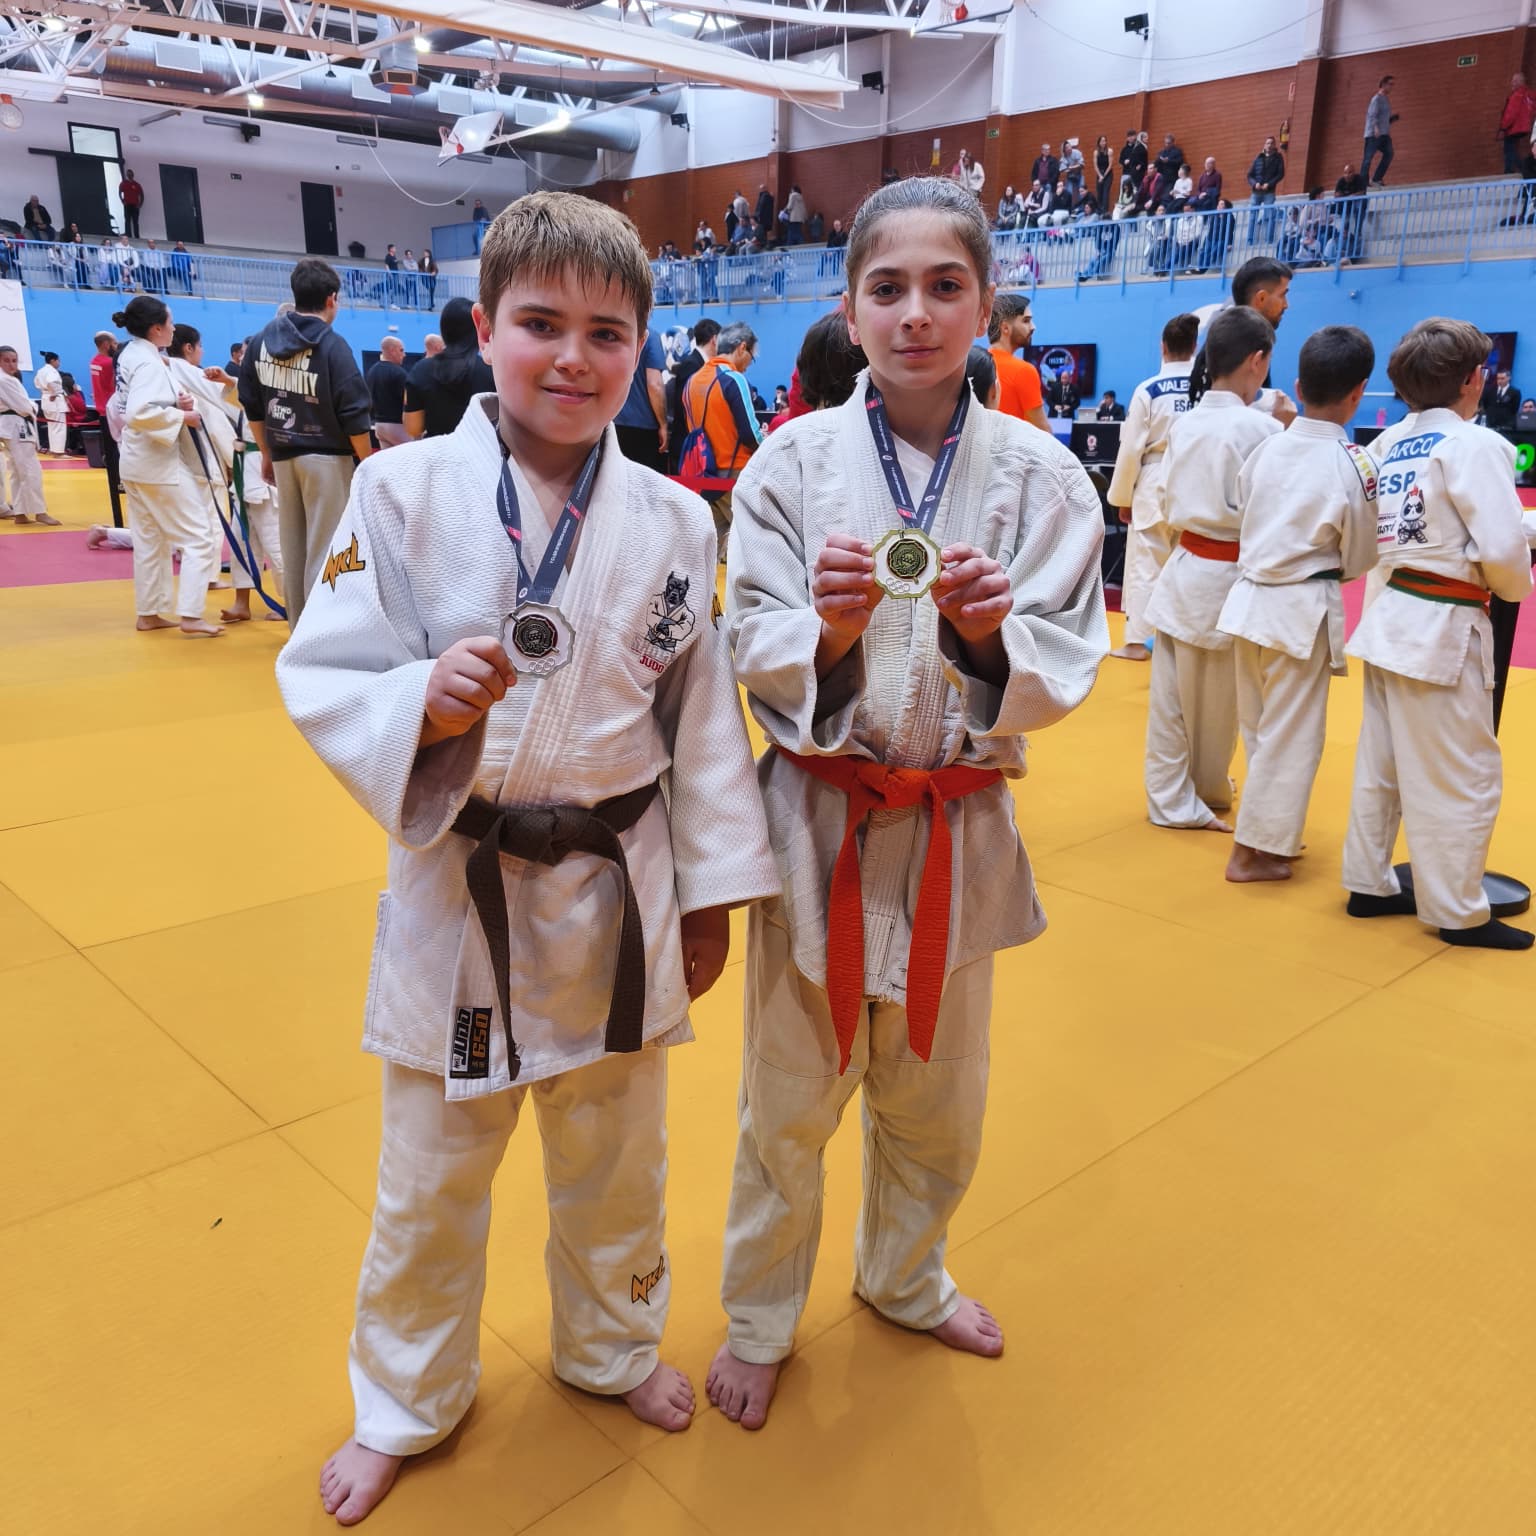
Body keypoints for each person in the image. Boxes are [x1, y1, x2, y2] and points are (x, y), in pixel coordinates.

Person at [275, 189, 780, 1526]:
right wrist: (421, 705)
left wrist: (713, 900)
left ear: (641, 349)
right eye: (540, 324)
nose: (572, 357)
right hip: (464, 881)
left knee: (620, 1156)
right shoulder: (398, 491)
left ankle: (612, 1347)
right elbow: (326, 667)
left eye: (607, 334)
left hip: (619, 883)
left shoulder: (677, 519)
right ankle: (405, 1401)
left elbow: (701, 722)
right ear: (486, 328)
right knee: (429, 1177)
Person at [707, 173, 1108, 1434]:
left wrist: (989, 643)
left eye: (945, 287)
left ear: (987, 304)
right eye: (888, 288)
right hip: (819, 822)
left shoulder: (1043, 476)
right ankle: (760, 1317)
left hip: (952, 827)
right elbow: (746, 635)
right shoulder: (789, 465)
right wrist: (823, 636)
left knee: (939, 1101)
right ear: (851, 308)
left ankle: (905, 1275)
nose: (916, 314)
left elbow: (1068, 653)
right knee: (787, 1101)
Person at [1342, 318, 1535, 949]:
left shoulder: (1389, 441)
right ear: (1475, 379)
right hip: (1444, 626)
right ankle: (1456, 911)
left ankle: (1368, 884)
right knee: (1464, 774)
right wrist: (1513, 587)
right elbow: (1502, 552)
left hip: (1390, 616)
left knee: (1382, 765)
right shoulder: (1474, 444)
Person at [1217, 326, 1379, 882]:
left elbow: (1244, 513)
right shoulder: (1353, 463)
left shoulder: (1267, 447)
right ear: (1359, 392)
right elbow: (1361, 553)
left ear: (1299, 386)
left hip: (1249, 603)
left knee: (1262, 729)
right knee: (1293, 737)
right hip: (1300, 608)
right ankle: (1250, 852)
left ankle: (1271, 839)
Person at [1142, 307, 1282, 830]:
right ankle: (1203, 789)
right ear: (1256, 360)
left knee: (1171, 701)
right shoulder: (1264, 429)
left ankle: (1178, 795)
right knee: (1224, 702)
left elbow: (1164, 496)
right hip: (1230, 575)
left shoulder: (1186, 423)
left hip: (1184, 566)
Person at [238, 257, 374, 627]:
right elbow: (353, 410)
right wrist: (367, 461)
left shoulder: (261, 341)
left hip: (283, 455)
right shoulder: (332, 344)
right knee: (329, 547)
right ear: (332, 299)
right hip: (328, 458)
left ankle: (299, 628)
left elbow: (251, 403)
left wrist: (266, 453)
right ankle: (322, 632)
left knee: (294, 547)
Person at [112, 296, 223, 635]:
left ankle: (149, 613)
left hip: (135, 461)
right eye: (170, 322)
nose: (174, 328)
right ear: (156, 328)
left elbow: (137, 405)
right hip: (157, 463)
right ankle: (191, 614)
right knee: (199, 535)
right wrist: (183, 416)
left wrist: (178, 403)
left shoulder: (133, 354)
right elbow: (139, 412)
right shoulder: (147, 362)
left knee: (151, 540)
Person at [1106, 313, 1198, 662]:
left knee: (1146, 563)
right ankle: (1183, 643)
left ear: (1163, 348)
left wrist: (1122, 497)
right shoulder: (1206, 389)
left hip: (1154, 476)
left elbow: (1131, 448)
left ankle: (1137, 643)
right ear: (1194, 347)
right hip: (1195, 478)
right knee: (1191, 561)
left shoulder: (1149, 389)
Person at [682, 319, 762, 559]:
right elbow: (750, 434)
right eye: (752, 357)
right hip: (735, 476)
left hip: (703, 476)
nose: (749, 365)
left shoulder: (692, 381)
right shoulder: (734, 380)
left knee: (709, 553)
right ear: (742, 347)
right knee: (747, 552)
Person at [1188, 256, 1295, 420]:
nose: (1286, 304)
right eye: (1282, 295)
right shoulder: (1244, 345)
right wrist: (1280, 426)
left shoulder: (1230, 338)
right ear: (1261, 298)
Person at [402, 296, 496, 441]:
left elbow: (413, 428)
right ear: (478, 329)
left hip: (437, 450)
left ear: (443, 329)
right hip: (481, 450)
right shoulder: (491, 370)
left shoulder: (421, 370)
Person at [0, 345, 59, 525]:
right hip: (16, 427)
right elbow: (25, 407)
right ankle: (39, 512)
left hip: (9, 426)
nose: (12, 364)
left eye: (14, 361)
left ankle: (20, 513)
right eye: (6, 361)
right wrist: (33, 407)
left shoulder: (8, 379)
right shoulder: (5, 380)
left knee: (17, 471)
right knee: (30, 470)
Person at [986, 293, 1050, 433]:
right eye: (1026, 321)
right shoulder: (1023, 371)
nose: (1033, 327)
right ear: (1005, 328)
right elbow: (1044, 432)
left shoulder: (975, 364)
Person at [666, 317, 719, 472]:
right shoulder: (692, 365)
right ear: (714, 339)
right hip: (687, 446)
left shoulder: (701, 364)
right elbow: (686, 406)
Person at [614, 325, 669, 470]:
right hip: (643, 427)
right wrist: (663, 424)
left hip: (612, 422)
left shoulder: (613, 333)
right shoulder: (651, 337)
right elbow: (655, 385)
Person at [90, 330, 123, 521]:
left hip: (102, 409)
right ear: (106, 344)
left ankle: (116, 478)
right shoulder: (108, 363)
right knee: (118, 449)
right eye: (114, 343)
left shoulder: (94, 361)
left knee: (112, 452)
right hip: (111, 410)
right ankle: (120, 480)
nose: (116, 347)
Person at [366, 336, 410, 449]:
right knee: (413, 456)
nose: (404, 354)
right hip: (397, 426)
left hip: (378, 425)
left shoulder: (372, 371)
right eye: (401, 350)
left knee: (389, 459)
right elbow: (408, 400)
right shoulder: (399, 373)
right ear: (392, 350)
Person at [1246, 135, 1286, 240]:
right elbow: (1249, 175)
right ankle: (1250, 239)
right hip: (1256, 192)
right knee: (1252, 216)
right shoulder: (1258, 157)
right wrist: (1255, 184)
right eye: (1267, 143)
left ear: (1274, 145)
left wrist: (1269, 184)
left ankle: (1269, 239)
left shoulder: (1278, 157)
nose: (1269, 145)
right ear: (1264, 145)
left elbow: (1280, 174)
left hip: (1269, 192)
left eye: (1271, 143)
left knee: (1270, 216)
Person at [1363, 75, 1398, 186]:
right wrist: (1375, 128)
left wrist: (1391, 119)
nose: (1392, 87)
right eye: (1390, 84)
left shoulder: (1385, 99)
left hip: (1384, 134)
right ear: (1383, 84)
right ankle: (1363, 182)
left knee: (1389, 153)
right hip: (1374, 134)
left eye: (1393, 85)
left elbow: (1383, 118)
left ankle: (1376, 178)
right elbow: (1372, 115)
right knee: (1368, 158)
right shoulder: (1376, 99)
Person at [1498, 73, 1536, 175]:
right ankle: (1520, 168)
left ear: (1521, 82)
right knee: (1514, 148)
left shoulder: (1517, 95)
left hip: (1515, 127)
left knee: (1508, 148)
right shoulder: (1529, 95)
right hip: (1525, 127)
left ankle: (1513, 170)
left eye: (1515, 81)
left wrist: (1503, 128)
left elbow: (1511, 113)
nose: (1512, 83)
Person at [33, 350, 66, 456]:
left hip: (45, 399)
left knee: (52, 426)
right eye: (58, 361)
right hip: (54, 400)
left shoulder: (41, 371)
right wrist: (54, 393)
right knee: (59, 426)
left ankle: (53, 449)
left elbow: (36, 383)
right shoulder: (51, 371)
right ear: (53, 361)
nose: (59, 363)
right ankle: (59, 452)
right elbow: (51, 382)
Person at [1483, 367, 1519, 432]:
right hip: (1490, 424)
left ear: (1509, 378)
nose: (1499, 381)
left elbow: (1514, 409)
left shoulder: (1515, 392)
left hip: (1506, 425)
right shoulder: (1490, 391)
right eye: (1498, 378)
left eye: (1502, 378)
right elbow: (1486, 405)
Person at [62, 372, 89, 455]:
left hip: (74, 419)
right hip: (76, 419)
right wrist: (78, 392)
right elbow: (83, 408)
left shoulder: (68, 396)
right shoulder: (73, 397)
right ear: (70, 386)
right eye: (74, 384)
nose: (76, 386)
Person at [1119, 128, 1147, 197]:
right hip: (1126, 172)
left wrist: (1140, 164)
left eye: (1133, 136)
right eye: (1129, 136)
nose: (1131, 138)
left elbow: (1143, 159)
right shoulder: (1124, 149)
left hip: (1136, 173)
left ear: (1135, 136)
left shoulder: (1139, 147)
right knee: (1124, 192)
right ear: (1127, 138)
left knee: (1135, 192)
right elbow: (1120, 160)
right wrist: (1124, 162)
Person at [119, 168, 145, 238]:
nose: (129, 175)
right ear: (126, 175)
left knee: (135, 221)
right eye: (128, 174)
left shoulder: (137, 184)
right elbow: (120, 192)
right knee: (127, 221)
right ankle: (128, 236)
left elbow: (142, 195)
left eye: (130, 174)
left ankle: (137, 236)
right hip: (127, 205)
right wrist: (122, 201)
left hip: (135, 205)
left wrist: (140, 204)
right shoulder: (123, 183)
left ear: (133, 175)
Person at [1093, 135, 1114, 206]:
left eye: (1105, 141)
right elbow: (1095, 165)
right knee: (1099, 192)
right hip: (1099, 173)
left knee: (1105, 192)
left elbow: (1110, 165)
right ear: (1099, 143)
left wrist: (1103, 176)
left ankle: (1105, 210)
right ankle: (1099, 209)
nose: (1104, 143)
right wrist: (1100, 175)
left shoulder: (1109, 151)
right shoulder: (1096, 152)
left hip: (1108, 174)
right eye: (1102, 141)